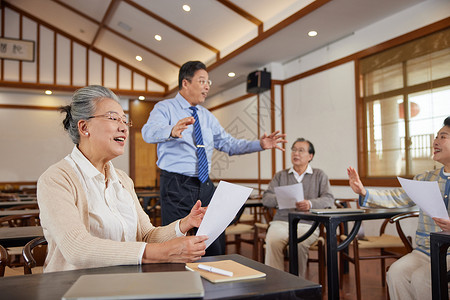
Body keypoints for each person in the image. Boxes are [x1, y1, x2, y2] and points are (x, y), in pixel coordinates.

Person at [37, 85, 208, 272]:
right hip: (74, 287)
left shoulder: (123, 179)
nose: (123, 128)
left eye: (124, 121)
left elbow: (146, 235)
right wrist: (162, 252)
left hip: (125, 281)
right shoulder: (56, 179)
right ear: (84, 127)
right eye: (113, 118)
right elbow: (77, 248)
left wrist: (186, 223)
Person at [141, 61, 287, 256]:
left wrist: (259, 144)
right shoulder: (165, 108)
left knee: (213, 242)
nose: (207, 86)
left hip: (204, 184)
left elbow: (229, 144)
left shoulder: (206, 116)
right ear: (185, 83)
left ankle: (214, 282)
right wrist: (171, 130)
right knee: (177, 243)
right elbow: (148, 133)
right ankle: (181, 283)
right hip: (176, 184)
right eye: (202, 81)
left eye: (208, 81)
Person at [347, 116, 450, 300]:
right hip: (424, 251)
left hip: (448, 253)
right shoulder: (426, 178)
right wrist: (364, 192)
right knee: (395, 273)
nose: (435, 141)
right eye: (436, 136)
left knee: (421, 278)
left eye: (443, 137)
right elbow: (397, 197)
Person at [262, 138, 334, 276]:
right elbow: (266, 198)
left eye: (301, 150)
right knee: (272, 241)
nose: (296, 153)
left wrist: (310, 204)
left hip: (308, 224)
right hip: (281, 222)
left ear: (310, 156)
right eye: (294, 150)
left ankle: (298, 285)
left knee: (299, 244)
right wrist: (281, 198)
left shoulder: (319, 175)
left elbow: (329, 198)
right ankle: (275, 285)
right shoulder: (280, 176)